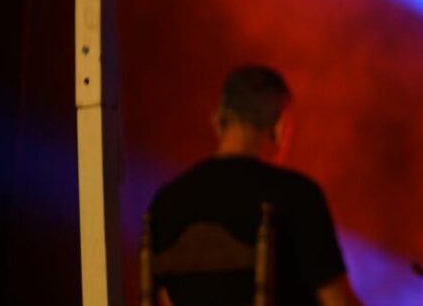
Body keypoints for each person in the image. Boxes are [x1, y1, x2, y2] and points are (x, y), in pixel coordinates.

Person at [147, 65, 362, 306]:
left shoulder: (166, 203)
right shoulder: (297, 195)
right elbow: (337, 302)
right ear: (279, 126)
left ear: (219, 120)